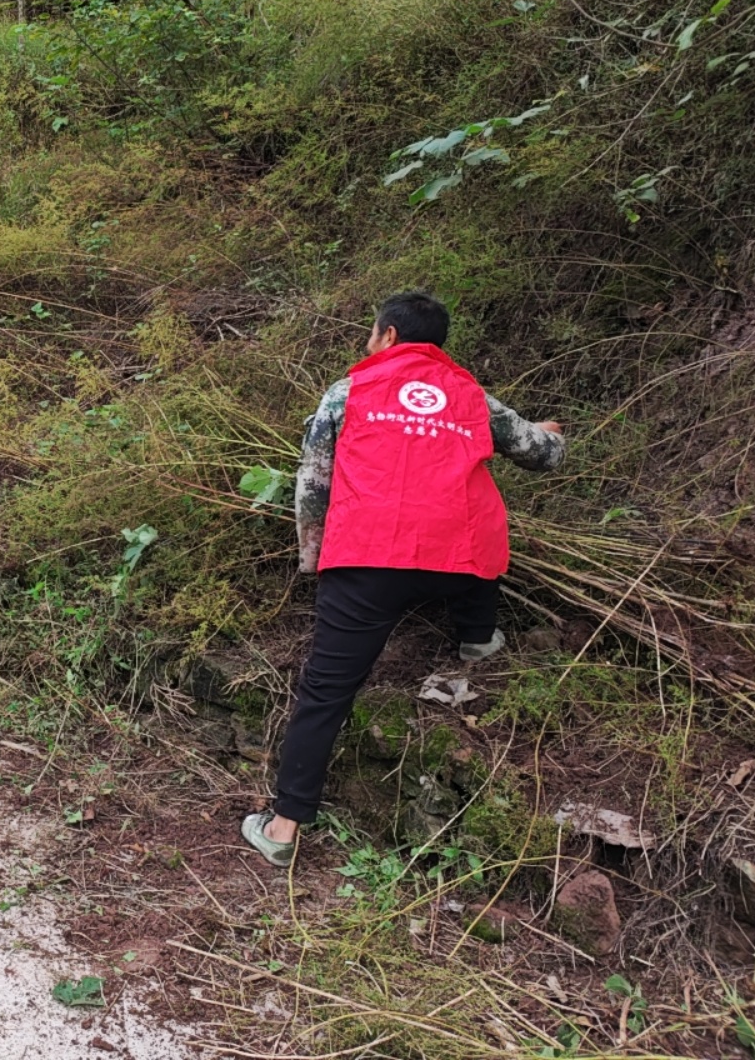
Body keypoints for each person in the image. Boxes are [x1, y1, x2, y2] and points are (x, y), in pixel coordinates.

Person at [241, 291, 566, 868]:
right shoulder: (471, 396)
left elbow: (313, 486)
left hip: (369, 562)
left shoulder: (347, 393)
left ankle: (284, 827)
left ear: (387, 335)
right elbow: (540, 454)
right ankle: (477, 638)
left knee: (327, 691)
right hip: (459, 564)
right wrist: (550, 433)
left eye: (372, 332)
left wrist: (314, 559)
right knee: (477, 538)